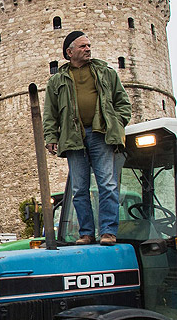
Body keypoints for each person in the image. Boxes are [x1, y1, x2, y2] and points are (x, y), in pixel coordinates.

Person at [43, 30, 131, 246]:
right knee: (79, 189)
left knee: (107, 184)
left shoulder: (105, 73)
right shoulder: (57, 81)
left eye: (88, 45)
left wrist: (116, 124)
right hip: (74, 139)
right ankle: (86, 233)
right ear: (69, 52)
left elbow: (123, 103)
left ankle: (108, 232)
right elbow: (50, 113)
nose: (88, 49)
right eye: (83, 46)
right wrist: (51, 137)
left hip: (101, 135)